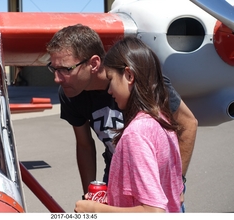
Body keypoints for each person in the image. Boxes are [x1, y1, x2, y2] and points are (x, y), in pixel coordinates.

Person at [46, 24, 197, 210]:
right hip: (117, 172)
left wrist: (178, 181)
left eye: (65, 69)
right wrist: (91, 196)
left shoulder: (148, 85)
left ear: (93, 64)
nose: (57, 79)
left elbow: (188, 123)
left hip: (157, 179)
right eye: (54, 69)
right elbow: (84, 145)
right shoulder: (70, 92)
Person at [74, 36, 183, 213]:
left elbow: (153, 212)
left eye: (111, 80)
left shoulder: (136, 133)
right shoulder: (162, 121)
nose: (109, 91)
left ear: (129, 75)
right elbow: (174, 194)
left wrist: (95, 209)